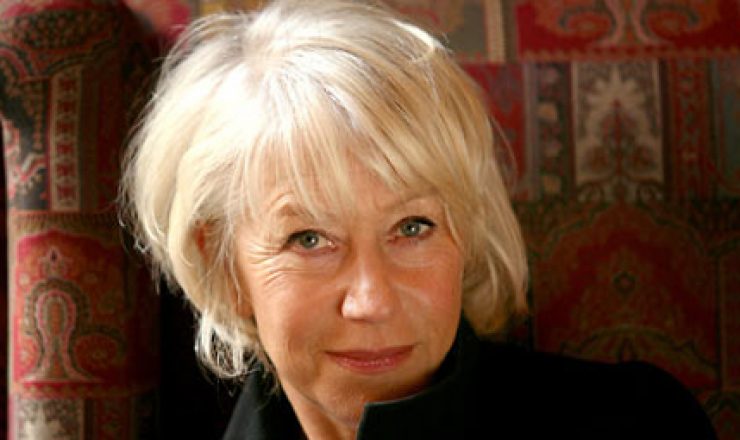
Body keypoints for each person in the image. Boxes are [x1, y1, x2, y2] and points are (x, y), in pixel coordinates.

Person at [120, 0, 718, 438]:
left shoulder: (639, 424)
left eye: (412, 227)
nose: (372, 300)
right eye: (309, 238)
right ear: (224, 267)